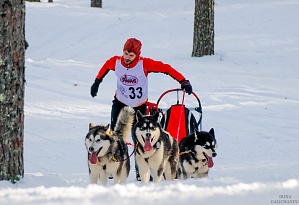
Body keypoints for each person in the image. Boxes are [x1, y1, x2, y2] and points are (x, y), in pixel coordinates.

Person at [90, 38, 192, 180]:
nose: (127, 57)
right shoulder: (116, 61)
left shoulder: (145, 64)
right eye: (125, 53)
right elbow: (105, 67)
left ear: (137, 56)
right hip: (120, 102)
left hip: (139, 106)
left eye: (131, 55)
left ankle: (141, 171)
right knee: (114, 135)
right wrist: (97, 82)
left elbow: (166, 68)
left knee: (140, 137)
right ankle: (112, 166)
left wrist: (183, 80)